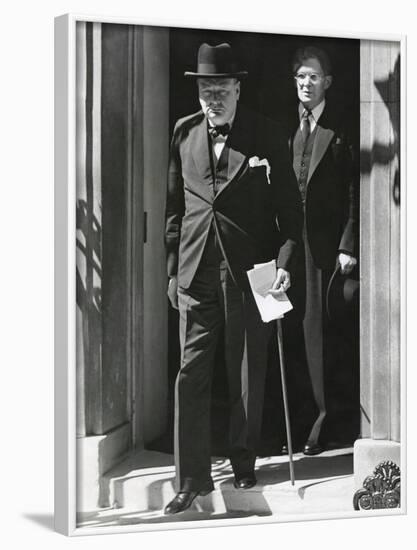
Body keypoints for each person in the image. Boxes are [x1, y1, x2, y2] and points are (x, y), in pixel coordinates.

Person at [164, 42, 303, 514]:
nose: (213, 98)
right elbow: (175, 211)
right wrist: (171, 271)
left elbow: (291, 212)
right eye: (206, 89)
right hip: (195, 271)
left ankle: (244, 461)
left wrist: (284, 262)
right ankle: (191, 479)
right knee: (191, 374)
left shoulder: (268, 135)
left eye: (221, 88)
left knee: (247, 372)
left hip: (252, 271)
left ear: (238, 89)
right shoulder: (183, 135)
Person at [283, 45, 359, 456]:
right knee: (292, 336)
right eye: (300, 77)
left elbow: (354, 191)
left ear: (326, 82)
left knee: (321, 340)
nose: (306, 84)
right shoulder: (289, 128)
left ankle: (324, 428)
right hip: (291, 250)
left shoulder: (341, 128)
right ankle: (294, 426)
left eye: (313, 77)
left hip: (327, 251)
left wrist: (349, 245)